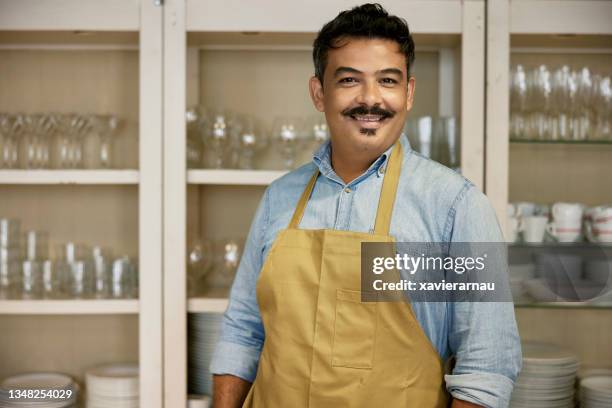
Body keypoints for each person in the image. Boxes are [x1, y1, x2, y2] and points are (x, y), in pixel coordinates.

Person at [210, 3, 521, 407]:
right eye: (350, 80)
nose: (370, 99)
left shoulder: (457, 206)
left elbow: (487, 365)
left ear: (408, 92)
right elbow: (242, 333)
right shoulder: (279, 198)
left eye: (388, 80)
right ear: (319, 93)